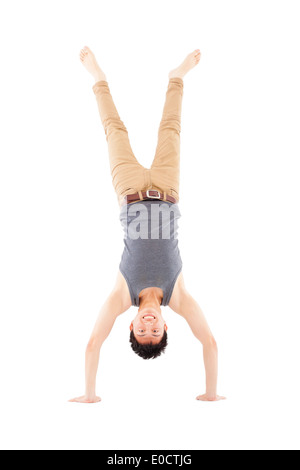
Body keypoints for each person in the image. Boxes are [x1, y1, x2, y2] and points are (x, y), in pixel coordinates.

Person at [69, 46, 225, 404]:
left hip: (128, 189)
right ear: (165, 326)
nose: (149, 324)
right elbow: (210, 342)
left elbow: (94, 342)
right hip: (168, 188)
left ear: (133, 325)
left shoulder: (122, 294)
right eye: (156, 330)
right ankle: (177, 76)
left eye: (143, 330)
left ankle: (98, 78)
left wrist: (90, 395)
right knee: (171, 128)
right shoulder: (178, 295)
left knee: (113, 130)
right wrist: (211, 394)